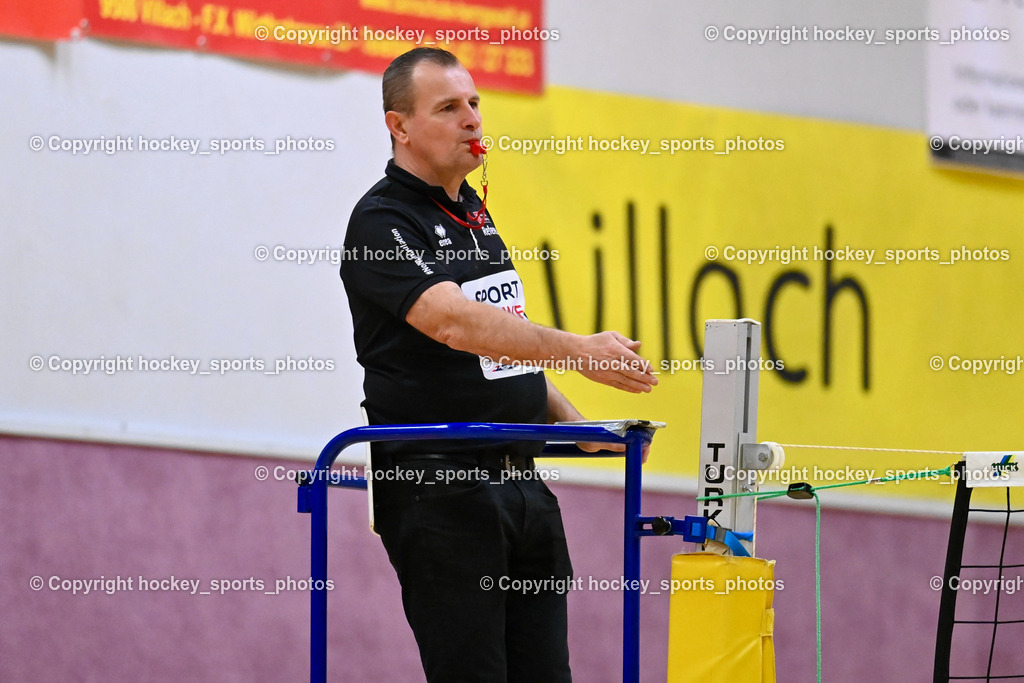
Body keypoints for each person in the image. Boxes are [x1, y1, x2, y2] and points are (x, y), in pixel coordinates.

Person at [339, 47, 657, 683]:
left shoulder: (479, 221)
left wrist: (585, 432)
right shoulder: (381, 220)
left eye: (476, 104)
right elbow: (453, 324)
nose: (472, 120)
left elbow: (504, 360)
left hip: (522, 486)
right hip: (440, 492)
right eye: (449, 108)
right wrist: (581, 348)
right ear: (398, 126)